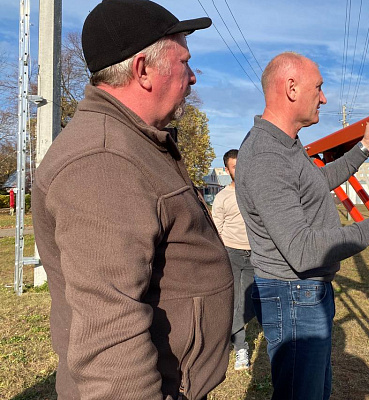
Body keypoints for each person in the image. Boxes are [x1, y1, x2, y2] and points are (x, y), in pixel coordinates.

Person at [31, 1, 233, 399]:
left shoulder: (134, 143)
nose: (193, 77)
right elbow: (110, 344)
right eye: (184, 62)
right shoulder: (102, 162)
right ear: (143, 70)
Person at [235, 52, 369, 400]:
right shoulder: (267, 155)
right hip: (293, 296)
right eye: (319, 87)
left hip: (304, 295)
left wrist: (365, 148)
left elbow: (316, 181)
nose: (324, 97)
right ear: (292, 88)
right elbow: (304, 250)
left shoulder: (286, 145)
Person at [211, 149, 256, 371]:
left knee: (251, 304)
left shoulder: (257, 191)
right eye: (235, 166)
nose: (240, 169)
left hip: (256, 255)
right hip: (232, 253)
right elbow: (216, 227)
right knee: (237, 300)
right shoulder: (222, 197)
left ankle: (224, 333)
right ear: (228, 170)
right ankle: (240, 348)